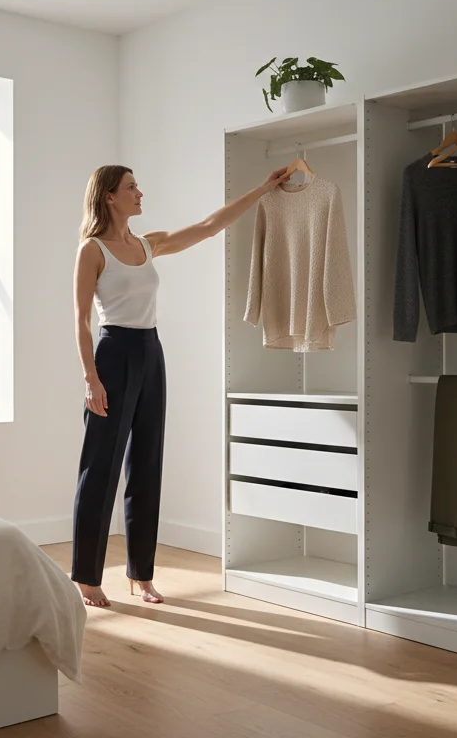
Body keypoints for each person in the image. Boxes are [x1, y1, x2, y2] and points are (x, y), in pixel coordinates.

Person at [70, 163, 291, 607]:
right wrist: (91, 379)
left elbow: (209, 227)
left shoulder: (148, 245)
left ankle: (141, 574)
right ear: (109, 196)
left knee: (147, 465)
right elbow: (79, 320)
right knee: (101, 467)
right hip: (113, 355)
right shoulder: (92, 250)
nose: (139, 192)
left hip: (152, 353)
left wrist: (263, 189)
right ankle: (87, 578)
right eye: (131, 187)